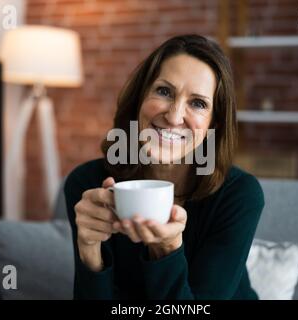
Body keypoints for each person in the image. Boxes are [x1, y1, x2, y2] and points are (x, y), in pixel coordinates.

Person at [64, 34, 265, 300]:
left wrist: (166, 249)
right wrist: (89, 250)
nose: (173, 116)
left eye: (197, 103)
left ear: (213, 125)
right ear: (139, 99)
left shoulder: (239, 195)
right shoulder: (87, 183)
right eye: (164, 91)